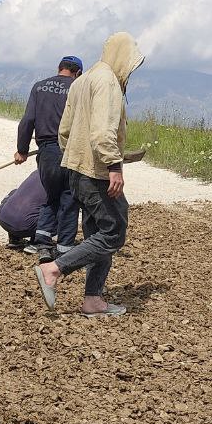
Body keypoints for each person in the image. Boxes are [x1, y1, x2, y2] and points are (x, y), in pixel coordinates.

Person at [34, 32, 144, 317]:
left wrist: (75, 157)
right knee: (114, 233)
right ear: (122, 57)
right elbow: (101, 133)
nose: (131, 69)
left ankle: (93, 299)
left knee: (97, 233)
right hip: (96, 174)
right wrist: (114, 166)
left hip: (75, 170)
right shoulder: (107, 82)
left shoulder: (82, 81)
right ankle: (54, 269)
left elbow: (65, 132)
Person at [15, 55, 83, 263]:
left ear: (59, 68)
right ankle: (64, 249)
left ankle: (41, 242)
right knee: (70, 199)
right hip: (70, 149)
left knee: (51, 196)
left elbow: (27, 121)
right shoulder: (79, 88)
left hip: (46, 151)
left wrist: (22, 150)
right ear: (77, 73)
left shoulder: (39, 87)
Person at [0, 169, 47, 247]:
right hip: (25, 227)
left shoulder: (38, 170)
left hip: (3, 218)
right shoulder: (60, 177)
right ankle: (36, 243)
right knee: (63, 207)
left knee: (16, 193)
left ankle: (14, 238)